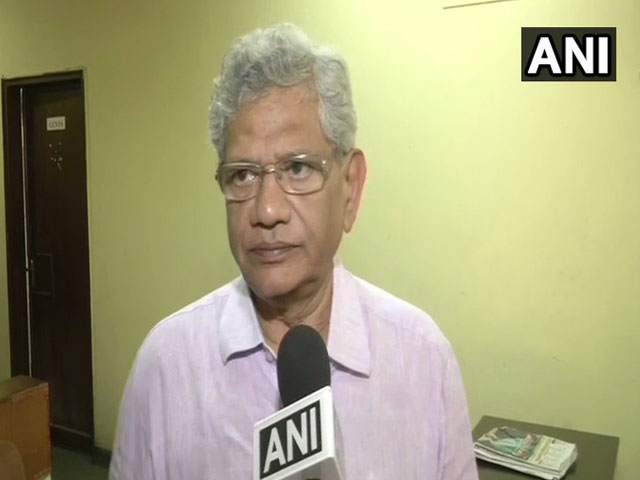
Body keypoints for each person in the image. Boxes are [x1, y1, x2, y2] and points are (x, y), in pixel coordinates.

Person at [109, 23, 479, 480]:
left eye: (298, 168)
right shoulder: (165, 366)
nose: (267, 210)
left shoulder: (423, 359)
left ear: (351, 187)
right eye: (243, 175)